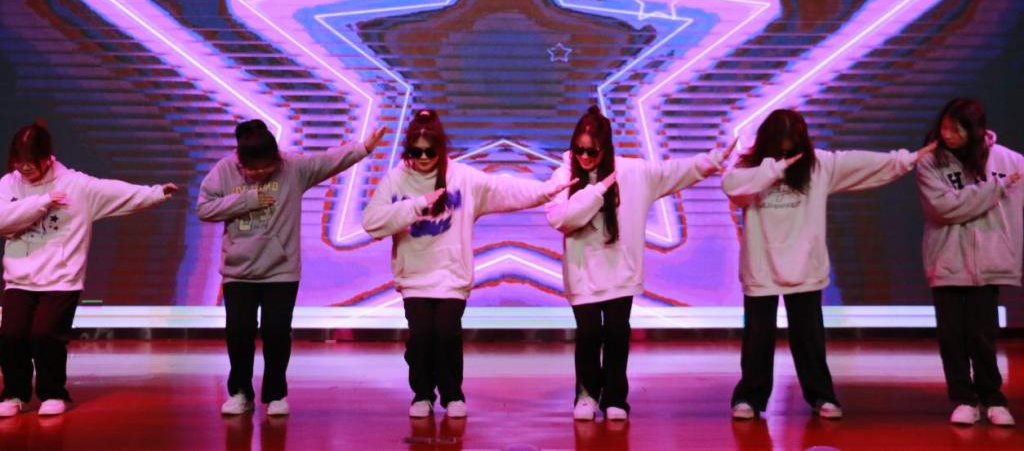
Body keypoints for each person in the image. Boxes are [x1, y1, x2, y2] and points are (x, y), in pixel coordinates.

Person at [721, 108, 934, 421]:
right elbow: (732, 187)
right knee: (757, 338)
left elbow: (862, 163)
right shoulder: (749, 168)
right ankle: (749, 397)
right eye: (781, 141)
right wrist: (773, 168)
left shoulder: (818, 165)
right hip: (762, 268)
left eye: (792, 141)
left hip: (805, 266)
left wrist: (907, 158)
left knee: (808, 338)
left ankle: (821, 395)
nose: (787, 148)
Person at [362, 109, 573, 419]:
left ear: (441, 149)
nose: (423, 158)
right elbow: (372, 222)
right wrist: (416, 205)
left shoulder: (462, 177)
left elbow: (503, 188)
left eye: (430, 151)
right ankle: (422, 394)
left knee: (447, 335)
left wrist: (544, 192)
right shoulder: (397, 179)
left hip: (451, 275)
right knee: (421, 338)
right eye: (417, 152)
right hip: (415, 277)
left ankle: (452, 395)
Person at [545, 105, 734, 421]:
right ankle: (587, 395)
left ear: (606, 148)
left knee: (617, 334)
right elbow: (560, 219)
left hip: (621, 269)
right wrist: (596, 191)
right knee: (589, 335)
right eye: (578, 149)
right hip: (582, 273)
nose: (584, 157)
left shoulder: (632, 172)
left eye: (592, 151)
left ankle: (615, 398)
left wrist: (712, 160)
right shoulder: (565, 175)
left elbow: (673, 172)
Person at [197, 118, 384, 416]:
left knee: (276, 331)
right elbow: (204, 208)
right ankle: (240, 392)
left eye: (266, 168)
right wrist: (248, 200)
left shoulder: (292, 168)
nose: (260, 173)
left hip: (280, 270)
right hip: (238, 271)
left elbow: (327, 161)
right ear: (241, 161)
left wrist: (363, 148)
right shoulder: (224, 170)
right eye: (253, 170)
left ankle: (275, 394)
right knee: (239, 332)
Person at [0, 122, 176, 417]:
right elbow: (3, 220)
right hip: (19, 277)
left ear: (47, 157)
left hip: (61, 278)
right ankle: (14, 394)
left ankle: (53, 393)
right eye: (19, 161)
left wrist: (156, 193)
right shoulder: (9, 184)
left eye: (31, 161)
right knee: (11, 335)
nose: (25, 168)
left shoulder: (76, 185)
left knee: (45, 335)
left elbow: (116, 192)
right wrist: (42, 202)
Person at [916, 98, 1022, 427]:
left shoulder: (1011, 161)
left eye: (956, 128)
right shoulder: (930, 162)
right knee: (951, 335)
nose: (948, 134)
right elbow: (944, 208)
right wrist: (997, 188)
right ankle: (963, 398)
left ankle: (993, 398)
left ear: (974, 129)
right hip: (947, 258)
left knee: (982, 335)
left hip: (989, 261)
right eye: (945, 127)